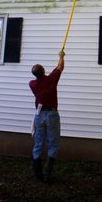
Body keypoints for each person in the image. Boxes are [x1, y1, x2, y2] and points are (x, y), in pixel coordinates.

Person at [29, 50, 65, 182]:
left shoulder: (32, 84)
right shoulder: (51, 79)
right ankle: (47, 176)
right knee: (53, 143)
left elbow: (57, 70)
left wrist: (56, 67)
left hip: (39, 116)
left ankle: (38, 175)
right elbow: (60, 67)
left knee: (38, 144)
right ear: (44, 71)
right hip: (51, 114)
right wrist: (61, 56)